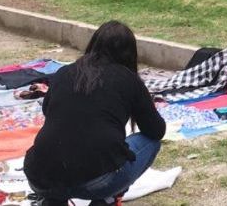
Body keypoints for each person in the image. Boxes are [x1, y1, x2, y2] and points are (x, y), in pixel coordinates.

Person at [24, 21, 166, 206]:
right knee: (149, 143)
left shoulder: (64, 72)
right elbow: (156, 131)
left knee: (69, 148)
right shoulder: (128, 79)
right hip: (96, 181)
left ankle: (53, 200)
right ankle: (106, 198)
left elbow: (47, 111)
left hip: (39, 176)